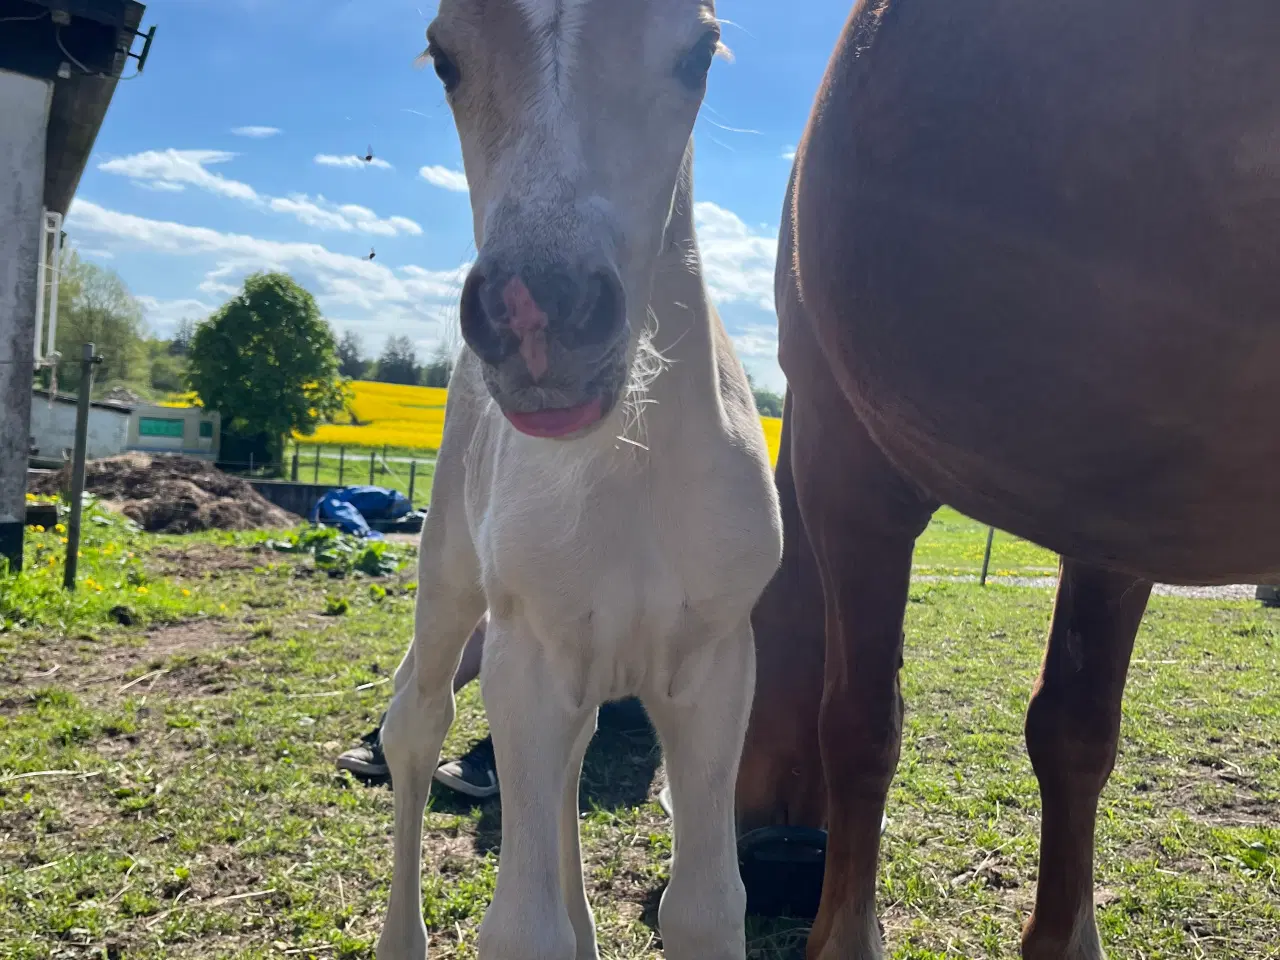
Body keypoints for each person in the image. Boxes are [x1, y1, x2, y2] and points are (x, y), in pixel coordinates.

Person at [336, 616, 650, 798]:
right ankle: (404, 724)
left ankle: (501, 751)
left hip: (632, 698)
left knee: (555, 632)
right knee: (487, 618)